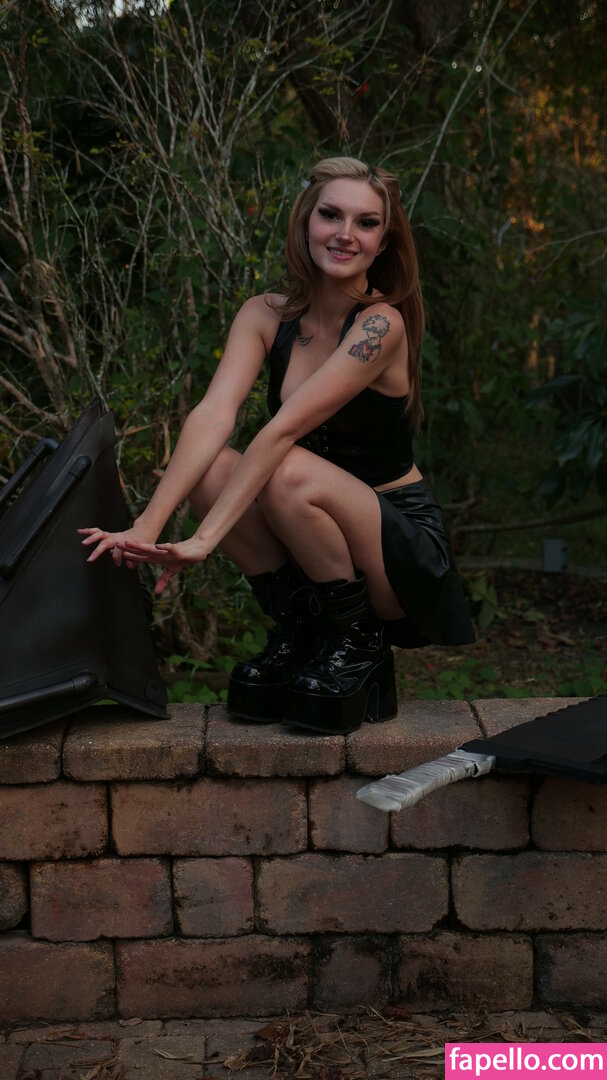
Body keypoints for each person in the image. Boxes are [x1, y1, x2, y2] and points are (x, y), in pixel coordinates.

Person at [79, 156, 475, 735]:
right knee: (213, 467)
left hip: (398, 550)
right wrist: (147, 526)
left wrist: (204, 540)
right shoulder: (264, 314)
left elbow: (282, 432)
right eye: (331, 215)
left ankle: (357, 645)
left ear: (383, 242)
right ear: (305, 220)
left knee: (283, 466)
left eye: (366, 223)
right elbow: (213, 415)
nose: (345, 233)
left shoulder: (380, 325)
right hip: (309, 524)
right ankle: (301, 632)